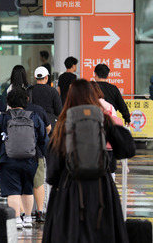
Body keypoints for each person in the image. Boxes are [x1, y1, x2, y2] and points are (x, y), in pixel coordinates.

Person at [42, 79, 135, 243]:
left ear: (70, 97)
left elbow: (52, 174)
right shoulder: (102, 121)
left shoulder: (63, 124)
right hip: (102, 190)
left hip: (69, 190)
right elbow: (127, 149)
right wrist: (109, 119)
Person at [0, 88, 48, 229]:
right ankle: (28, 218)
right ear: (26, 100)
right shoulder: (34, 116)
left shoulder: (3, 117)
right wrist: (44, 154)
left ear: (9, 102)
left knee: (13, 191)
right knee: (27, 189)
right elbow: (43, 139)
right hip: (30, 159)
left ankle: (17, 219)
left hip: (8, 160)